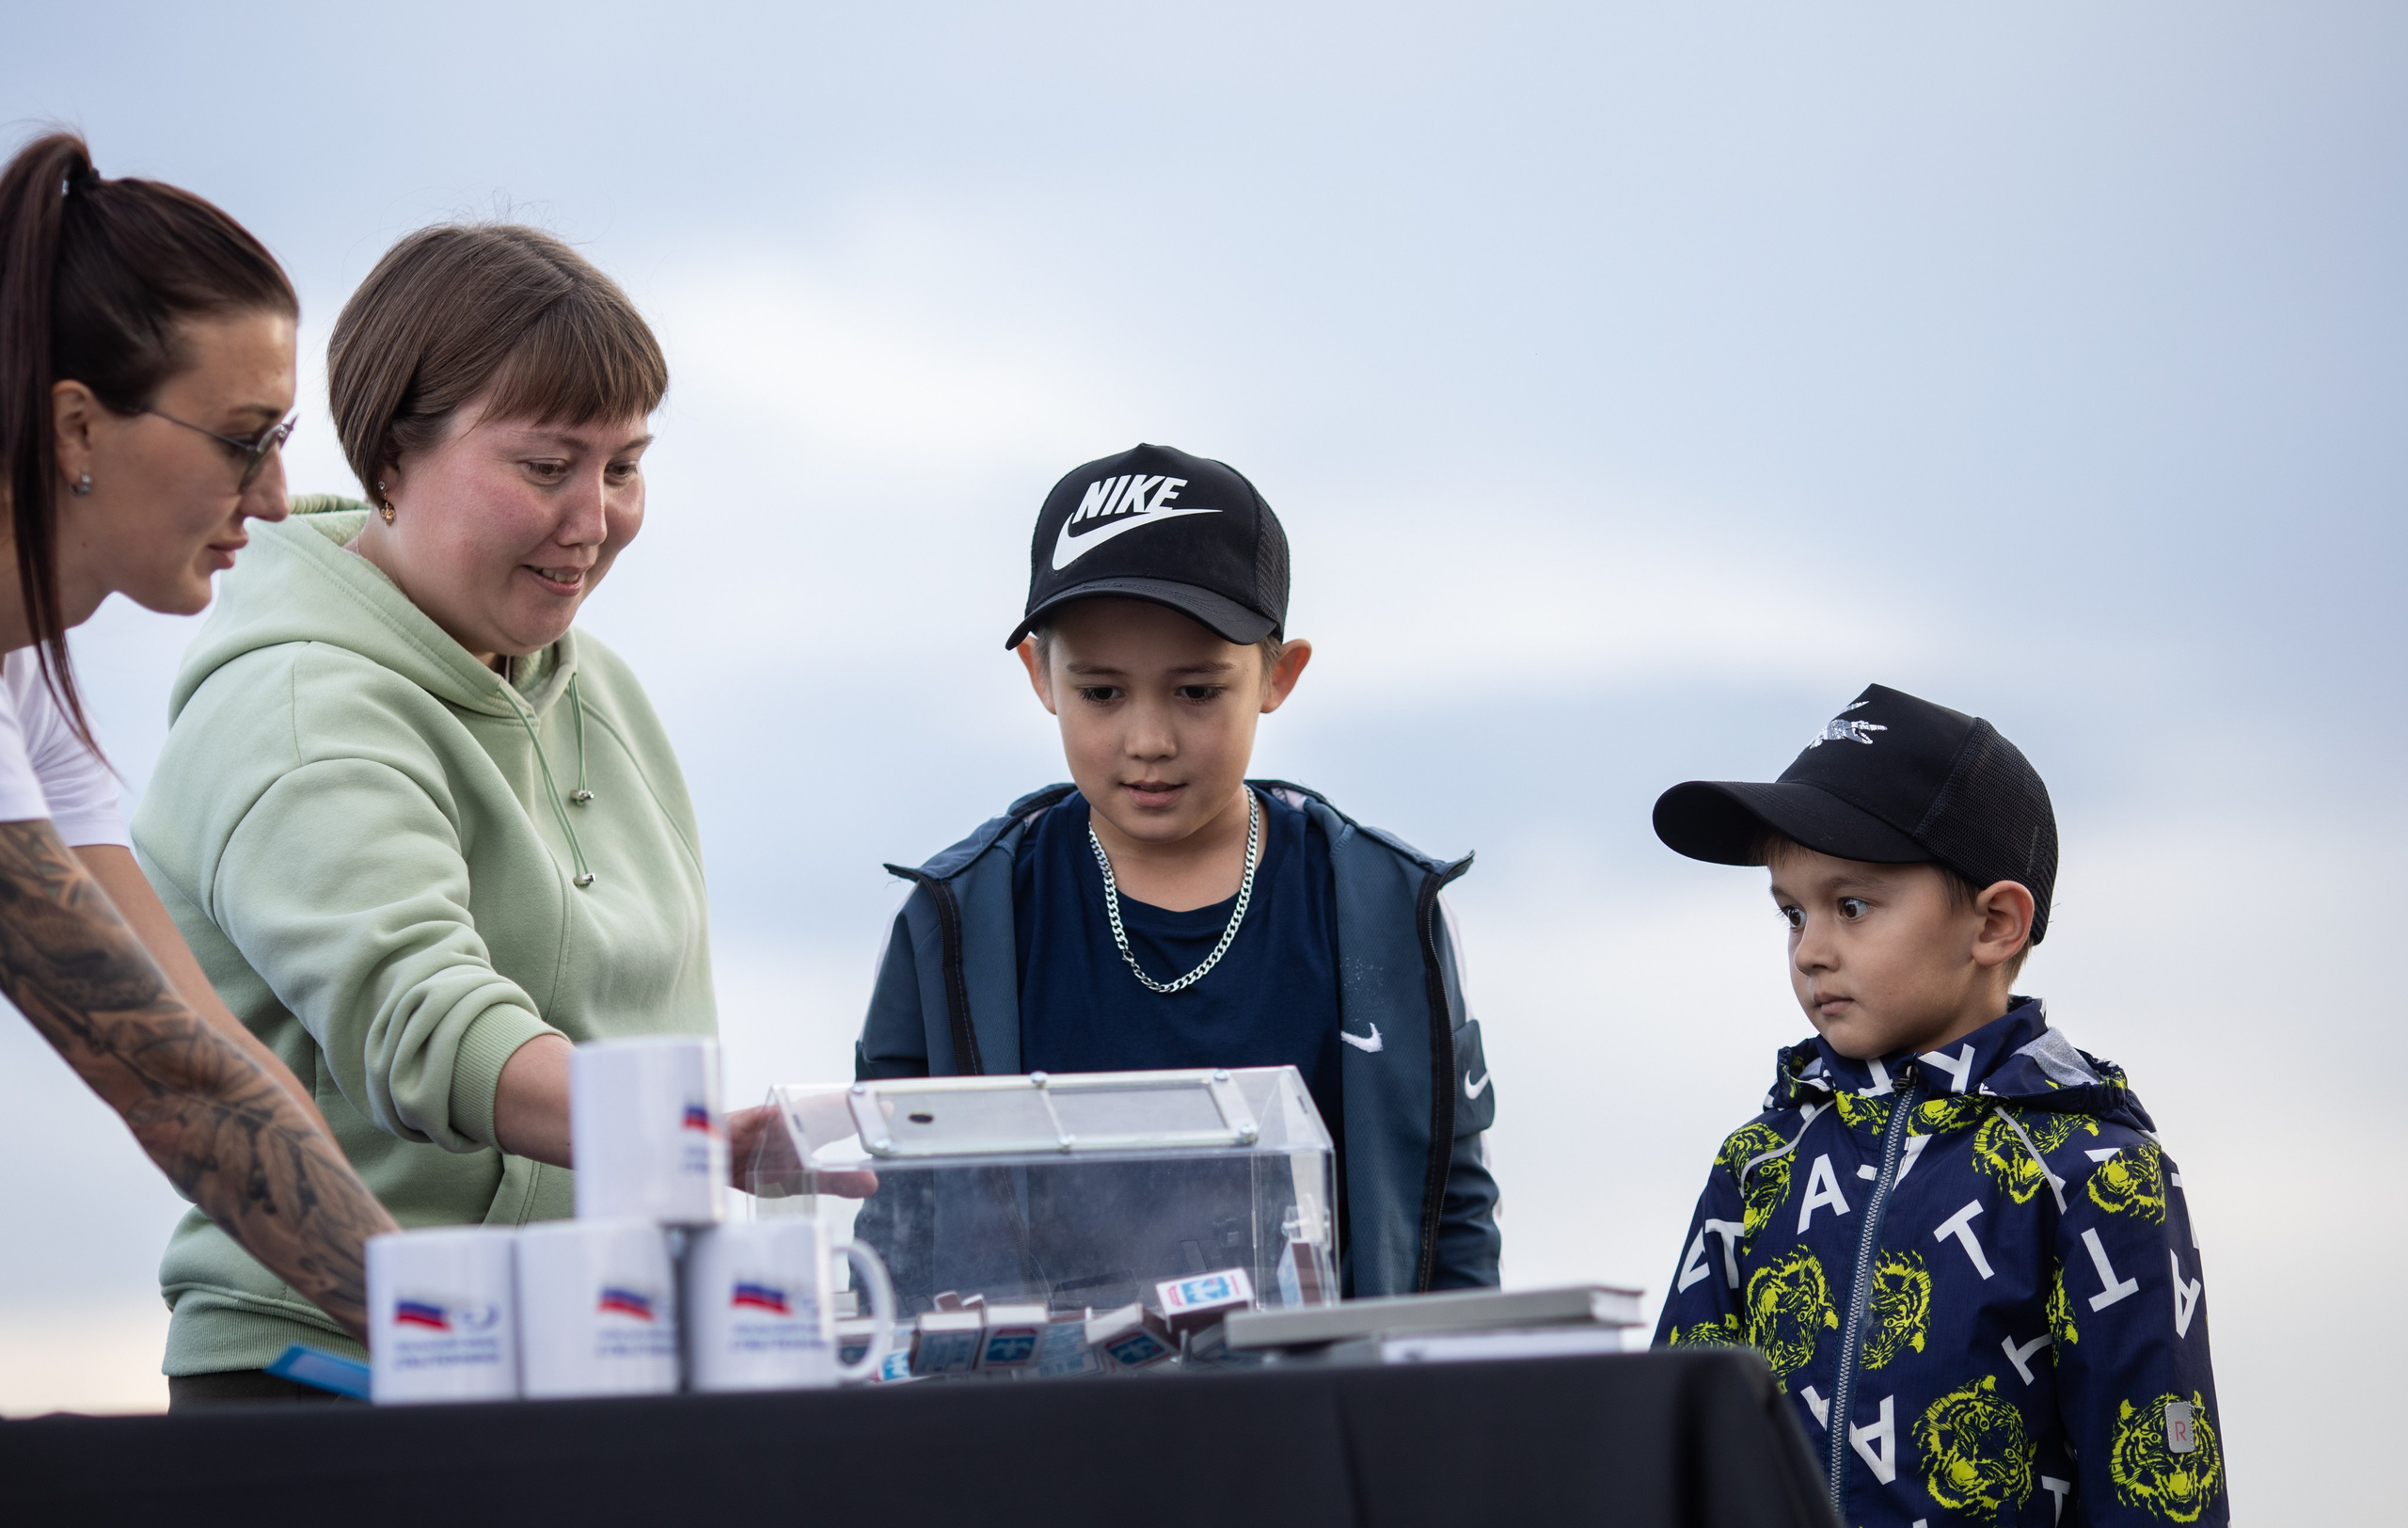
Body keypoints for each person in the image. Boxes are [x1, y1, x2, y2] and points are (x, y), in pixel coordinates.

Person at [133, 224, 720, 1405]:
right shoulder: (296, 702)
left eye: (624, 467)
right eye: (547, 467)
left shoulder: (599, 687)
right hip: (333, 1382)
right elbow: (426, 1025)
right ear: (390, 458)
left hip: (595, 1359)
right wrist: (700, 1138)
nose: (593, 518)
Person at [851, 443, 1500, 1298]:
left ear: (1279, 673)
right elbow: (897, 1232)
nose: (1148, 739)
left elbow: (1449, 1214)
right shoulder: (955, 923)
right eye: (1102, 693)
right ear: (1040, 674)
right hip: (1042, 1427)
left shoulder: (1383, 910)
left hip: (1325, 1422)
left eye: (1196, 691)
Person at [1648, 684, 2226, 1527]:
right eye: (1790, 912)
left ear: (1995, 925)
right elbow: (1673, 1458)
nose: (1810, 950)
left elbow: (2160, 1494)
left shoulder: (2096, 1176)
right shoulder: (1759, 1164)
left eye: (1851, 906)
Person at [0, 132, 398, 1356]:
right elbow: (174, 1087)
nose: (275, 499)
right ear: (76, 429)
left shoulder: (27, 687)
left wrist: (446, 1324)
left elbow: (214, 1053)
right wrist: (465, 1336)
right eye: (245, 438)